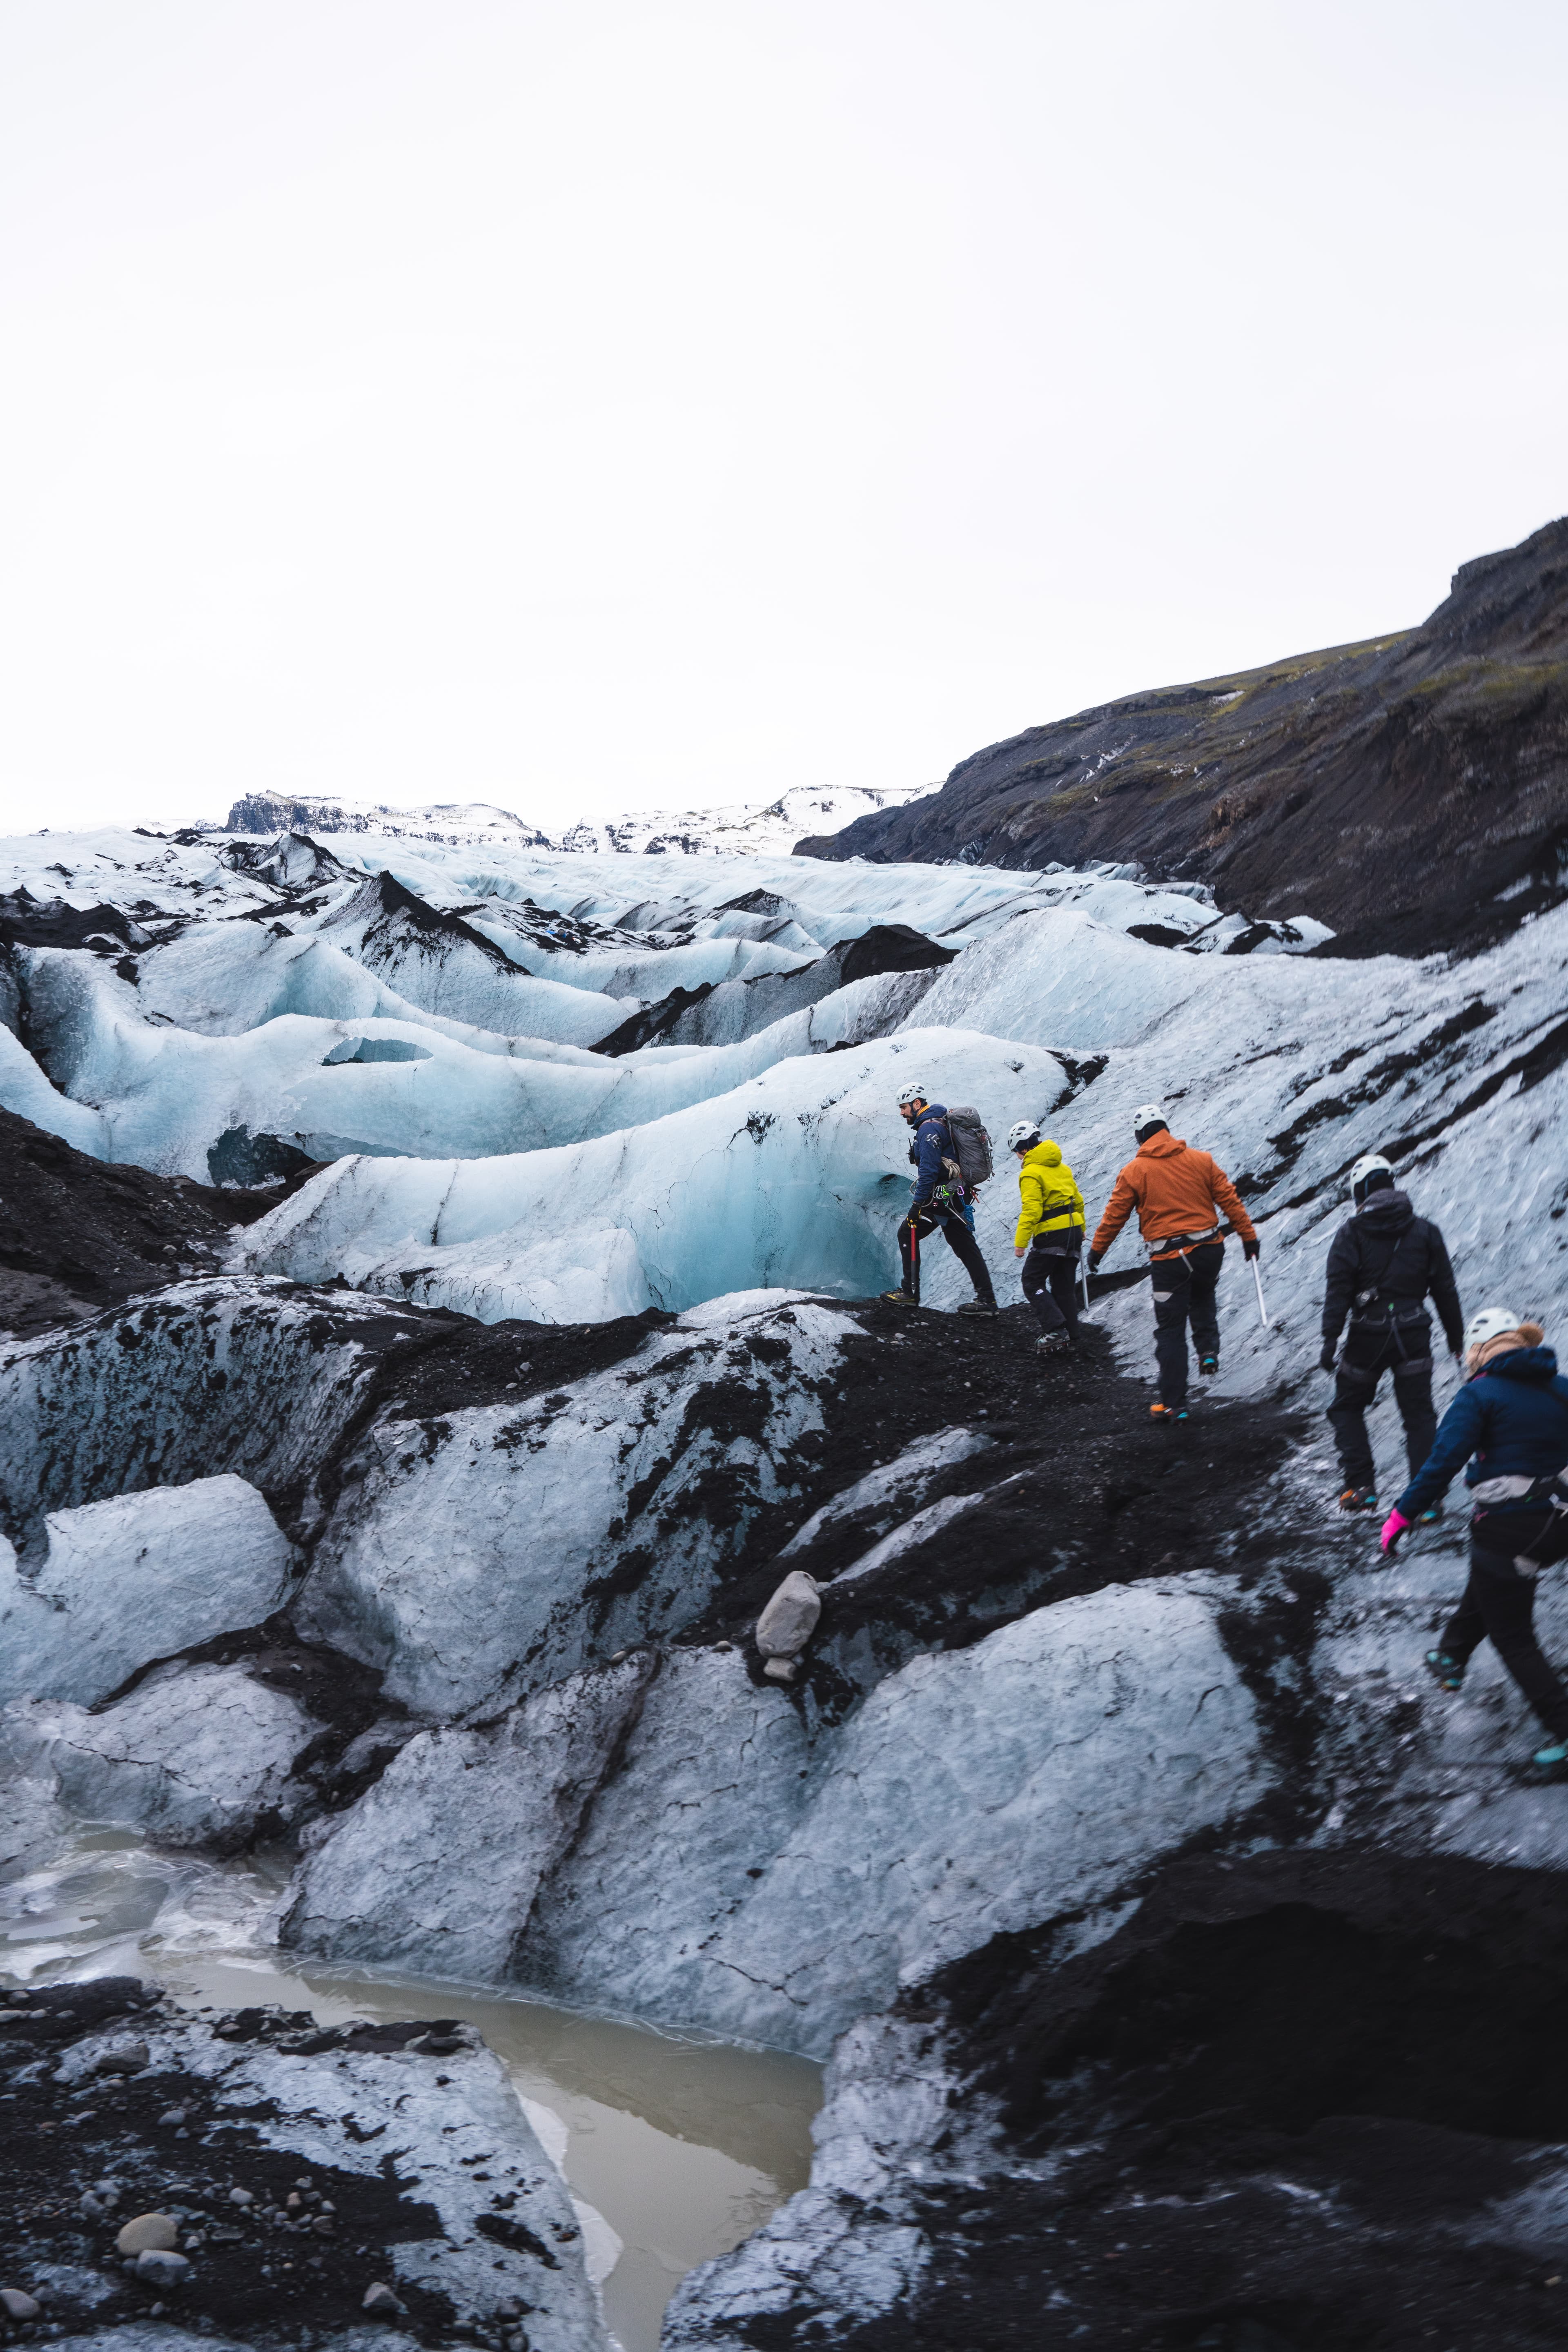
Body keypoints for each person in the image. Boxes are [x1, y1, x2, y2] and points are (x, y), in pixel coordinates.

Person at [1383, 1308, 1568, 1773]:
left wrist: (1401, 1516)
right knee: (1494, 1575)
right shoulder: (1562, 1388)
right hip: (1563, 1522)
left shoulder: (1479, 1393)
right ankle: (1452, 1654)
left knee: (1514, 1636)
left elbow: (1443, 1459)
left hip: (1513, 1523)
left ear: (1478, 1353)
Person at [1087, 1101, 1257, 1421]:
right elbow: (1229, 1199)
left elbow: (1115, 1217)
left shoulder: (1134, 1172)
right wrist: (1250, 1238)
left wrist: (1097, 1252)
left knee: (1171, 1330)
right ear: (1166, 1129)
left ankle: (1174, 1404)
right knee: (1204, 1293)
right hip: (1208, 1250)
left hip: (1170, 1260)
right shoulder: (1202, 1160)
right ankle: (1208, 1351)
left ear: (1141, 1137)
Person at [1320, 1152, 1463, 1514]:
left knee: (1347, 1407)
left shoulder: (1350, 1234)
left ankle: (1361, 1488)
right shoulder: (1426, 1231)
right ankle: (1427, 1502)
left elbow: (1338, 1291)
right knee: (1419, 1417)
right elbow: (1445, 1289)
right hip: (1414, 1332)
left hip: (1368, 1335)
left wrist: (1329, 1340)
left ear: (1361, 1191)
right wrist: (1456, 1339)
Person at [882, 1084, 998, 1315]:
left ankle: (910, 1293)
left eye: (904, 1107)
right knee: (964, 1244)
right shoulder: (940, 1121)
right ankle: (988, 1301)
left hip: (941, 1198)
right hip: (954, 1195)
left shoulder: (929, 1130)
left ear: (917, 1104)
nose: (902, 1113)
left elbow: (929, 1172)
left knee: (908, 1232)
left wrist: (917, 1205)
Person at [1007, 1120, 1086, 1355]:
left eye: (1016, 1153)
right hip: (1073, 1231)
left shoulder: (1030, 1172)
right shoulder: (1062, 1168)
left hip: (1051, 1234)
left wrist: (1021, 1243)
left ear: (1022, 1149)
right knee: (1063, 1286)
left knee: (1032, 1281)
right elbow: (1078, 1200)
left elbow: (1032, 1210)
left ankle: (1055, 1330)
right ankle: (1073, 1335)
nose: (1018, 1158)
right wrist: (1081, 1229)